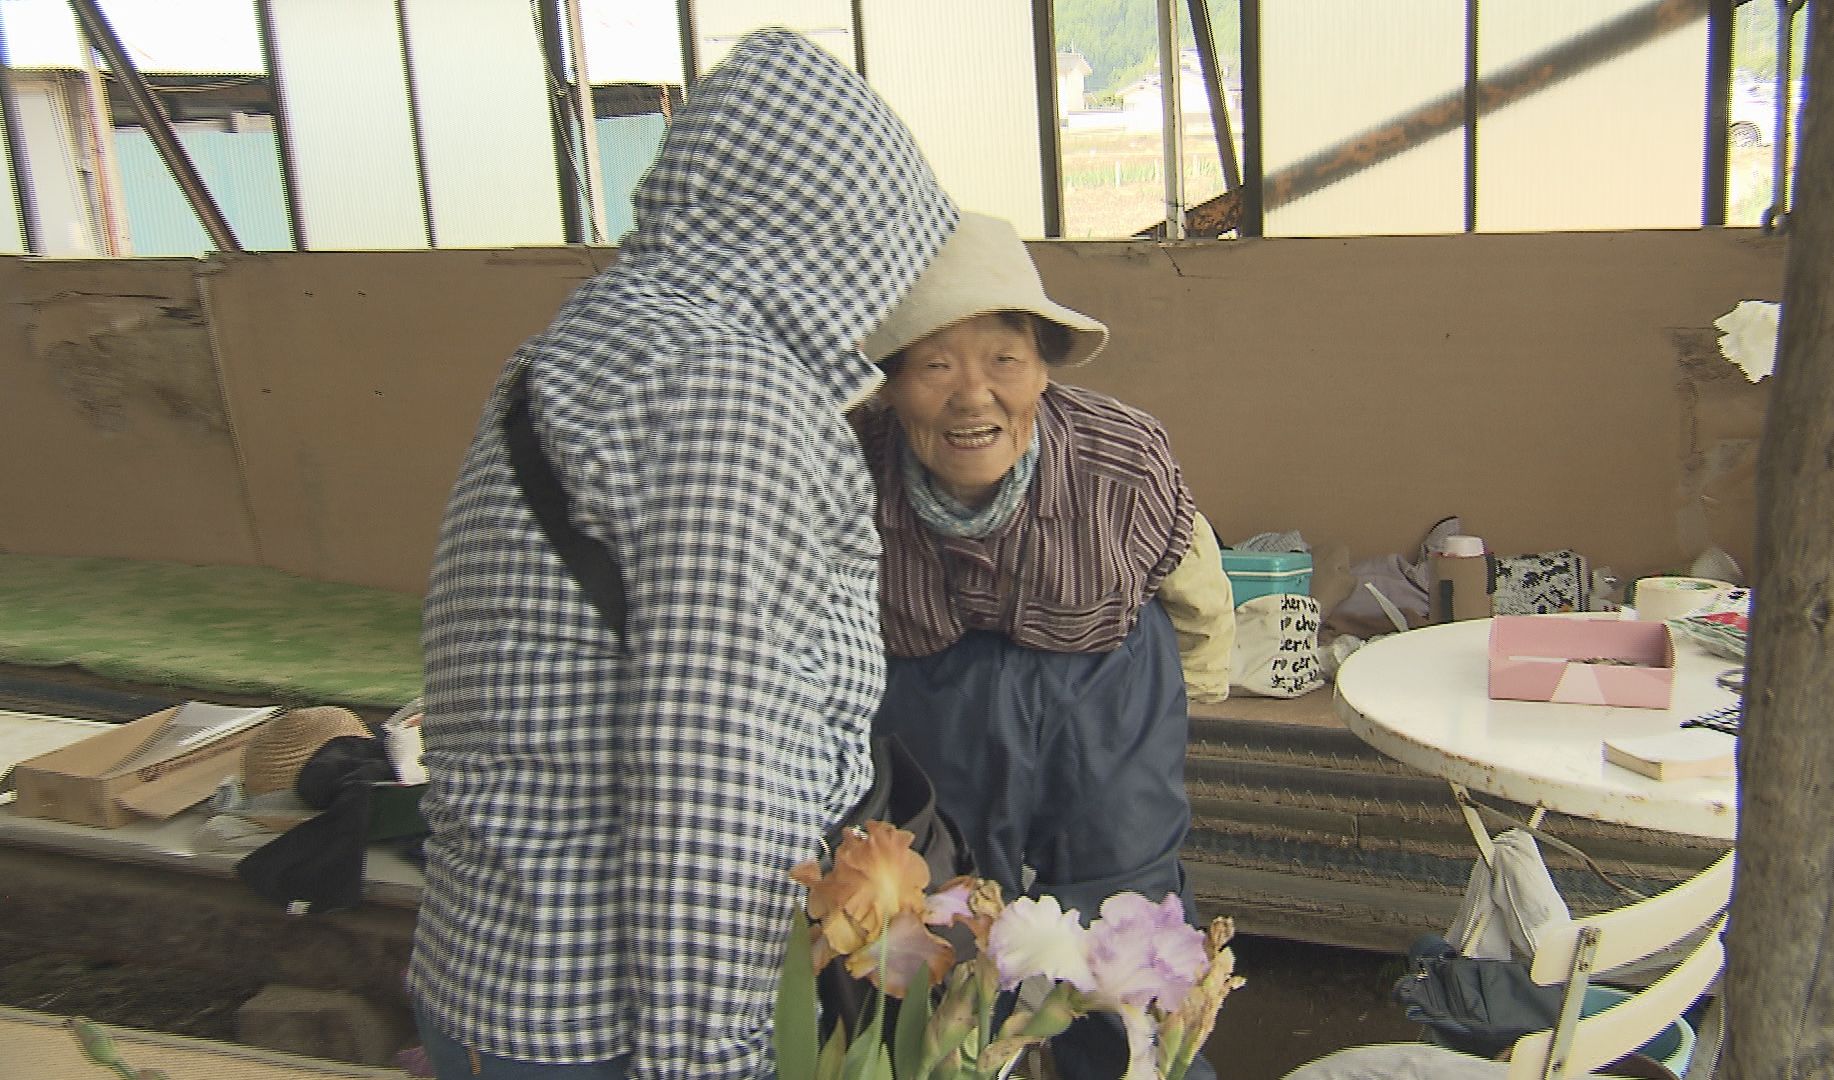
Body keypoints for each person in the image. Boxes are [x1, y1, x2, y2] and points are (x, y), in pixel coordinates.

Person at [408, 29, 956, 1080]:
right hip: (606, 1029)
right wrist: (718, 1061)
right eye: (884, 247)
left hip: (500, 975)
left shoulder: (585, 347)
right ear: (828, 231)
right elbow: (709, 766)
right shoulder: (729, 396)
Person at [851, 211, 1233, 1079]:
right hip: (923, 716)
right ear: (890, 383)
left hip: (1102, 700)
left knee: (1123, 941)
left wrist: (1192, 695)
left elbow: (1193, 578)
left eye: (1004, 360)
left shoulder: (1119, 455)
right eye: (935, 365)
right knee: (939, 938)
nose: (972, 396)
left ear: (1042, 367)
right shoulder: (848, 470)